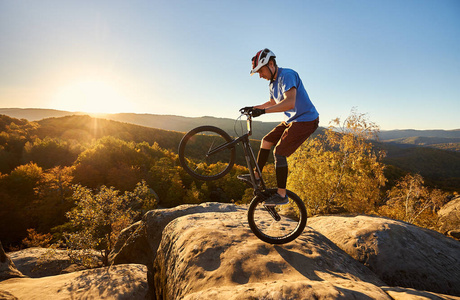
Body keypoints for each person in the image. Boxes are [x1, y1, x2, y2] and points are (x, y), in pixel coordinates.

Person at [239, 48, 319, 206]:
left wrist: (262, 112)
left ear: (271, 64)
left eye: (261, 71)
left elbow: (290, 102)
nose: (260, 75)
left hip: (306, 120)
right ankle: (256, 175)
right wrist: (253, 107)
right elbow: (272, 103)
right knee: (266, 141)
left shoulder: (287, 75)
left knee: (280, 152)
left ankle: (282, 195)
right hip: (291, 120)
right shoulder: (272, 84)